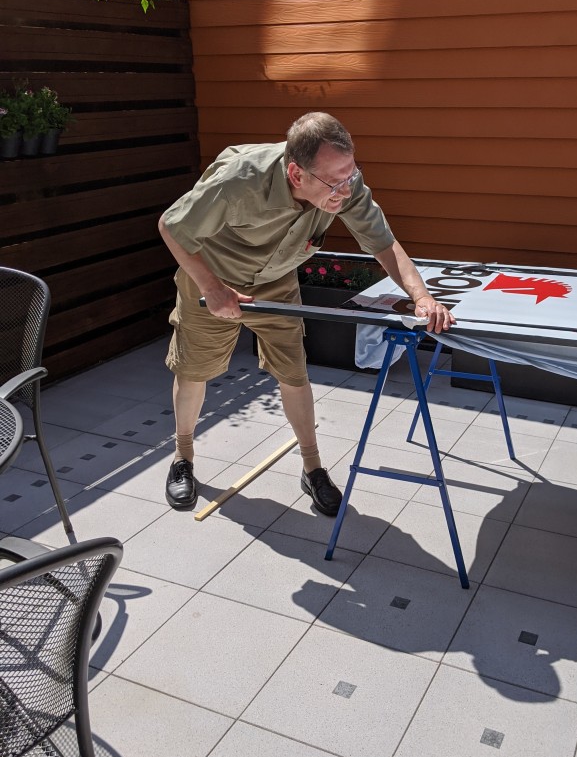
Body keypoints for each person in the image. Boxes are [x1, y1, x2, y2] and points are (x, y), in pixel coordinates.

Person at [158, 111, 455, 514]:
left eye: (352, 173)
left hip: (277, 281)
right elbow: (173, 226)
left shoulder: (343, 183)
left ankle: (313, 469)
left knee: (293, 373)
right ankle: (182, 458)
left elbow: (383, 244)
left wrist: (422, 296)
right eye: (335, 181)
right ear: (297, 174)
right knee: (194, 369)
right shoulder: (239, 181)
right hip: (213, 278)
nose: (345, 189)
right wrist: (211, 288)